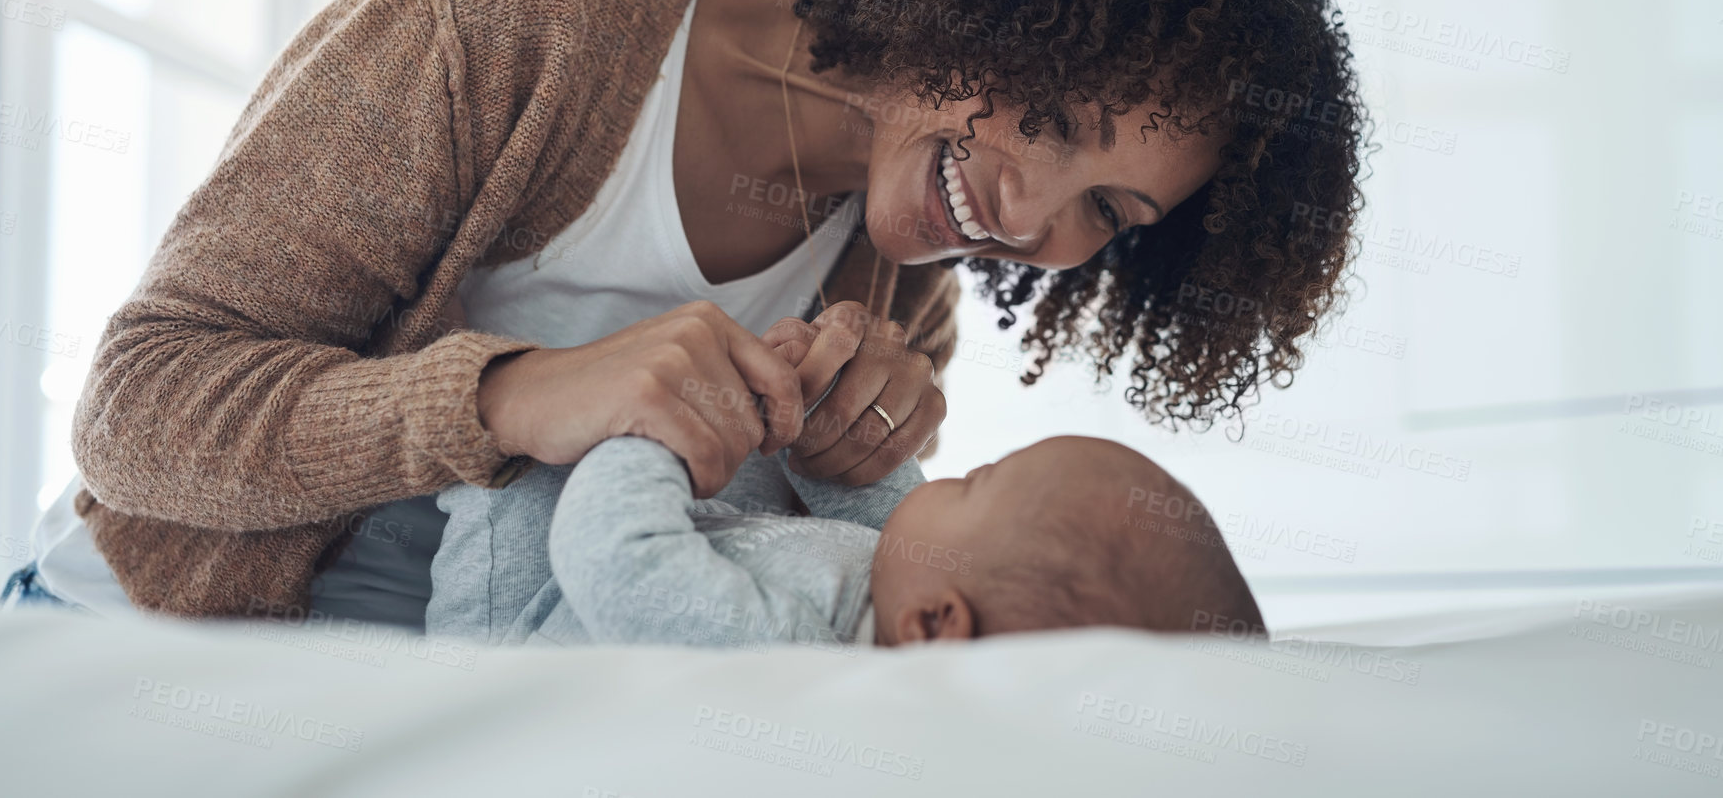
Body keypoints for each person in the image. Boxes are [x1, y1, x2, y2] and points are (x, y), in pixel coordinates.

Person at [22, 0, 1362, 624]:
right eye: (1052, 111)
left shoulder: (898, 291)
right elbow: (135, 413)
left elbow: (731, 602)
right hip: (137, 648)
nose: (1026, 216)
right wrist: (516, 393)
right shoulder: (518, 10)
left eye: (1104, 215)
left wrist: (856, 465)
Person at [427, 317, 1262, 648]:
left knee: (516, 474)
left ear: (938, 622)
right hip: (610, 564)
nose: (951, 475)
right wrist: (822, 416)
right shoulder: (913, 589)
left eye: (976, 480)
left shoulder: (801, 652)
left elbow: (617, 564)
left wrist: (660, 433)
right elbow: (874, 504)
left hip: (518, 633)